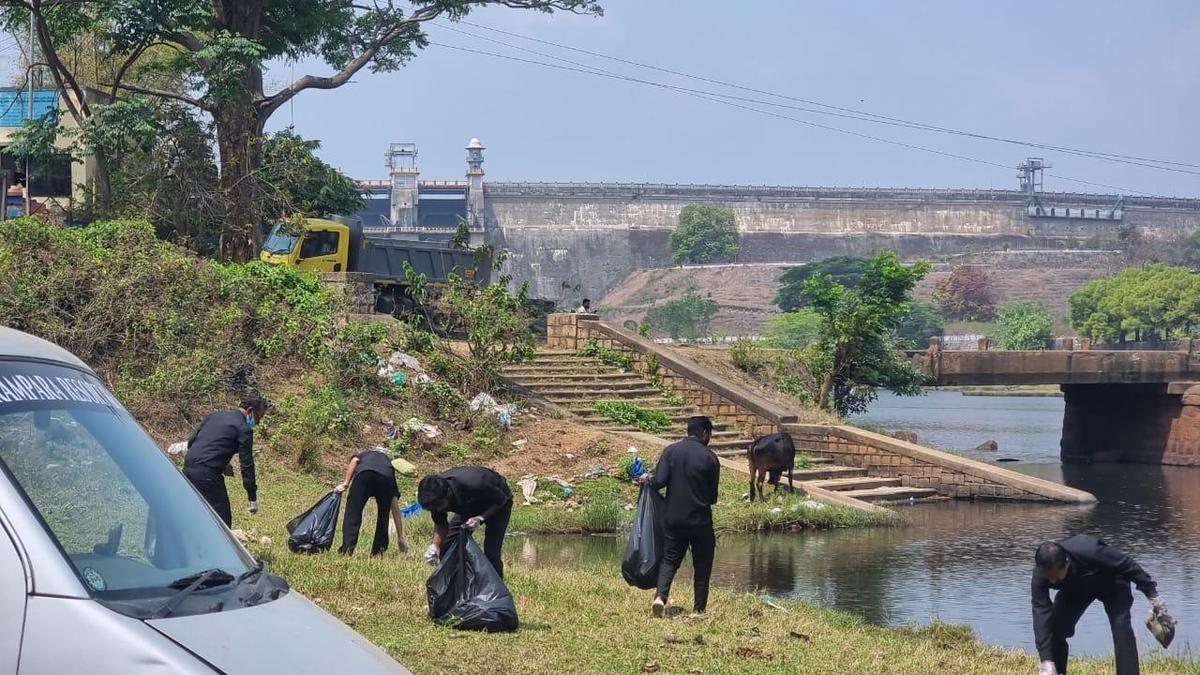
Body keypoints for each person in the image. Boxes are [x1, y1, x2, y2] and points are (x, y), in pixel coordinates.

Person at [1032, 535, 1165, 675]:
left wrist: (1152, 593)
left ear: (1066, 563)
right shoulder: (1041, 574)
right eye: (1049, 578)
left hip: (1112, 582)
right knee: (1055, 627)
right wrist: (1046, 660)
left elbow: (1127, 564)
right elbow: (1040, 612)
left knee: (1121, 628)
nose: (1052, 581)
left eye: (1057, 577)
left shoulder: (1090, 551)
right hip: (1076, 589)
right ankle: (1056, 671)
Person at [638, 416, 720, 618]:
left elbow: (659, 482)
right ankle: (699, 609)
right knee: (702, 564)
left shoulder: (671, 451)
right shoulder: (710, 457)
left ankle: (660, 597)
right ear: (705, 433)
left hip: (673, 519)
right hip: (700, 520)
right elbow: (712, 497)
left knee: (669, 560)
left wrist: (647, 479)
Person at [183, 398, 267, 527]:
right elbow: (247, 464)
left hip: (188, 467)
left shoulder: (214, 416)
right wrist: (252, 496)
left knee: (193, 512)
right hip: (207, 475)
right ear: (250, 410)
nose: (259, 421)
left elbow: (191, 441)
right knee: (222, 521)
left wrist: (222, 465)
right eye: (259, 416)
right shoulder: (244, 429)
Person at [417, 466, 514, 577]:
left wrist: (481, 518)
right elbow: (441, 524)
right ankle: (456, 584)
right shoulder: (435, 499)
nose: (438, 510)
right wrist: (435, 546)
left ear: (448, 493)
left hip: (498, 504)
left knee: (491, 554)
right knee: (447, 547)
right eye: (435, 508)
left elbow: (501, 500)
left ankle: (497, 591)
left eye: (440, 506)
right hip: (469, 506)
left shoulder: (474, 483)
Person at [334, 447, 409, 556]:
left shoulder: (364, 454)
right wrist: (400, 537)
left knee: (353, 512)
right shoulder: (389, 465)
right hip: (385, 479)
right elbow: (396, 510)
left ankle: (347, 549)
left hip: (364, 475)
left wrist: (346, 483)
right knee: (384, 516)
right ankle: (378, 552)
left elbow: (354, 460)